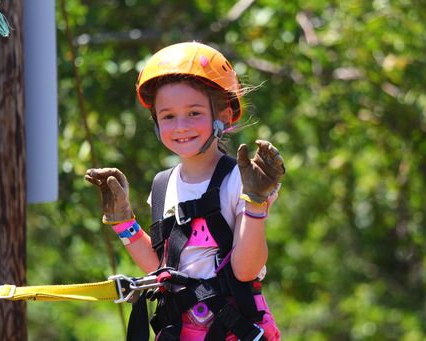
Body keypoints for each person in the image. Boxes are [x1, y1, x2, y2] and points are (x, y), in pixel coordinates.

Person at [86, 42, 285, 341]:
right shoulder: (163, 185)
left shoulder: (241, 180)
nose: (180, 126)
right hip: (180, 330)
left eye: (194, 113)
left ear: (225, 116)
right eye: (168, 116)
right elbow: (161, 269)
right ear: (155, 122)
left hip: (234, 328)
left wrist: (255, 201)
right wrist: (123, 222)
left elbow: (245, 271)